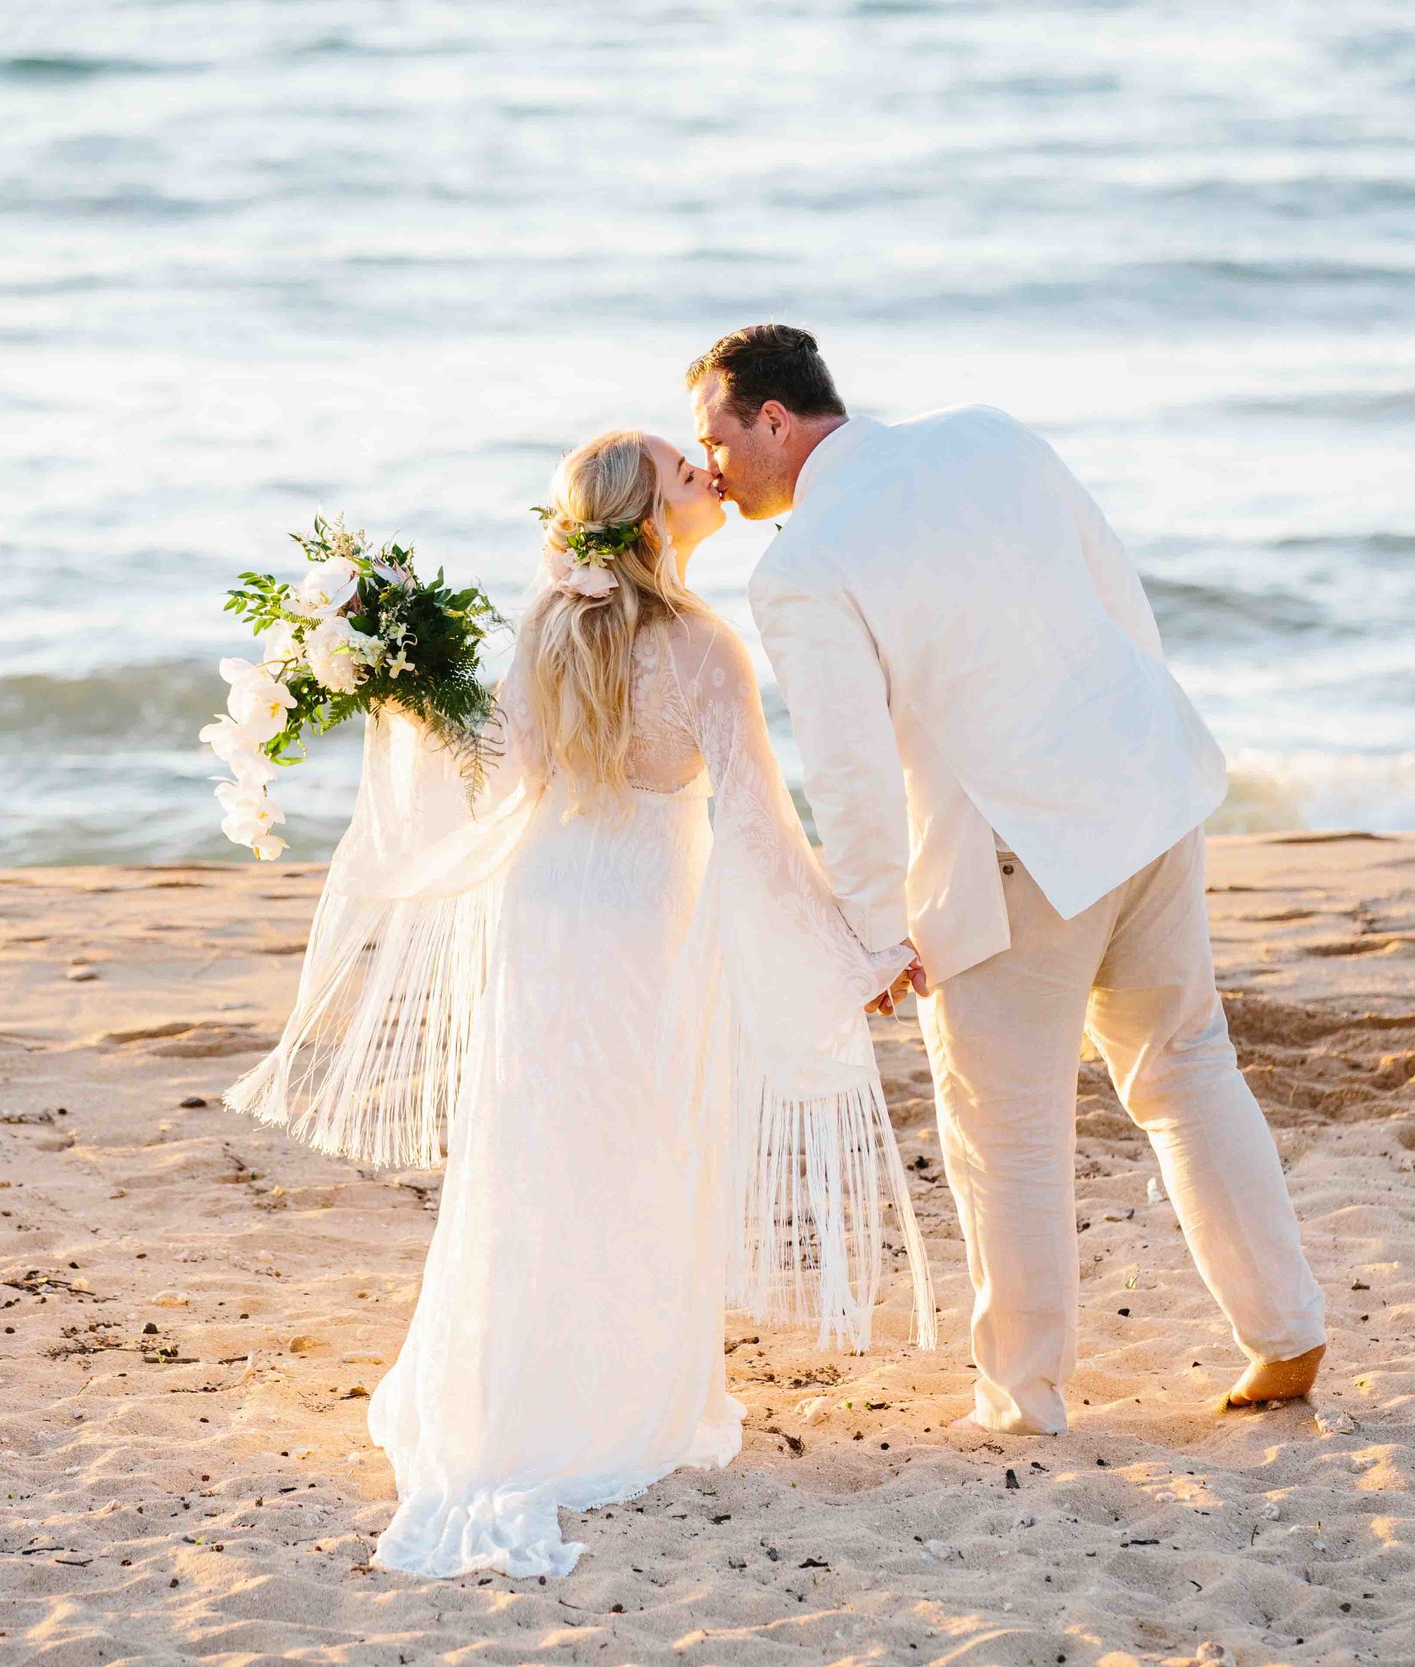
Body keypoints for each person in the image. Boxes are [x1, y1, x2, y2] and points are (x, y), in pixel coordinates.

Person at [224, 429, 933, 1579]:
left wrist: (410, 692)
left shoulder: (550, 627)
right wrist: (859, 946)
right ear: (649, 514)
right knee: (641, 1143)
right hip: (647, 909)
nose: (707, 471)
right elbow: (758, 826)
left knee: (536, 1141)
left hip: (547, 905)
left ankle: (519, 1386)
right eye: (682, 470)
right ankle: (615, 1398)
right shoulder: (707, 649)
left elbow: (497, 774)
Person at [687, 324, 1328, 1436]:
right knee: (1187, 1065)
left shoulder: (800, 562)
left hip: (1015, 851)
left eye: (719, 436)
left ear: (775, 421)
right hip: (1144, 784)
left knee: (1006, 1127)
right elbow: (1113, 594)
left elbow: (849, 774)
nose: (714, 464)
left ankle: (1021, 1393)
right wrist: (1133, 746)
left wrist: (876, 931)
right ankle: (1286, 1330)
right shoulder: (984, 433)